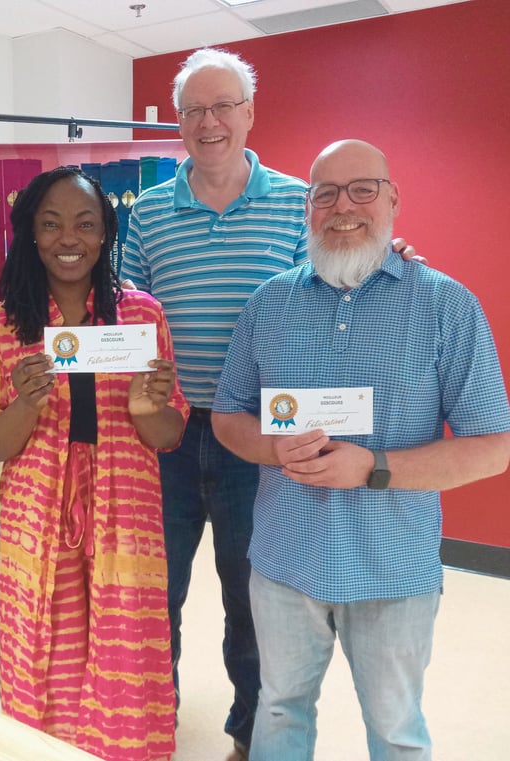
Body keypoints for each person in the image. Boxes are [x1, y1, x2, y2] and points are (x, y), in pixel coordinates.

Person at [120, 47, 419, 759]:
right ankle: (144, 722)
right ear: (180, 123)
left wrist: (389, 256)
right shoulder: (149, 213)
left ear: (250, 114)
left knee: (251, 601)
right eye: (193, 110)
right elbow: (127, 318)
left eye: (223, 106)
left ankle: (251, 734)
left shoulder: (303, 202)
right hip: (166, 434)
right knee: (150, 594)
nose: (209, 121)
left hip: (259, 436)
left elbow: (334, 289)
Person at [211, 139, 510, 760]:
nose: (343, 207)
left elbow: (492, 449)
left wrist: (372, 467)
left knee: (397, 730)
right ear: (307, 208)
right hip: (283, 560)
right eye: (325, 194)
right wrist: (271, 450)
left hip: (393, 567)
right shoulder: (269, 303)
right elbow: (225, 415)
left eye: (361, 190)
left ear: (393, 200)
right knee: (278, 706)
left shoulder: (446, 306)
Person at [0, 166, 189, 761]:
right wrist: (25, 404)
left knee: (125, 639)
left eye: (86, 224)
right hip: (37, 514)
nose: (70, 238)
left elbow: (168, 434)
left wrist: (147, 409)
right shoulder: (3, 325)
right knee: (44, 637)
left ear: (105, 235)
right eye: (52, 224)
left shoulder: (142, 317)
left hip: (126, 509)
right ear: (32, 234)